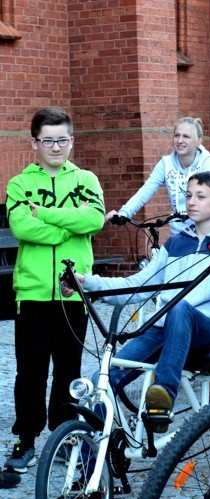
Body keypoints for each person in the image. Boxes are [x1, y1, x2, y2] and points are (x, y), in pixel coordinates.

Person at [64, 172, 210, 431]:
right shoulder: (175, 243)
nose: (191, 202)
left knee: (180, 308)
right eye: (188, 195)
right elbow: (138, 286)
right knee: (102, 381)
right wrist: (87, 282)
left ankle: (163, 395)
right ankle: (88, 452)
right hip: (164, 329)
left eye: (201, 196)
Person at [4, 107, 105, 473]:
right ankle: (26, 439)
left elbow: (94, 219)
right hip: (32, 292)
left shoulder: (86, 179)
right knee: (30, 372)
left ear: (72, 141)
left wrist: (44, 215)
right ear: (35, 143)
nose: (56, 146)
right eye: (48, 140)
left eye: (62, 139)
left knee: (68, 369)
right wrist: (69, 226)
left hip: (72, 292)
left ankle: (64, 436)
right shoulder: (19, 184)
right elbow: (21, 228)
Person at [106, 117, 210, 233]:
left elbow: (209, 195)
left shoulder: (207, 162)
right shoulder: (166, 163)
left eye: (186, 136)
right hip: (180, 231)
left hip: (206, 229)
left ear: (198, 142)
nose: (179, 140)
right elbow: (146, 190)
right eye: (176, 135)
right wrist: (124, 214)